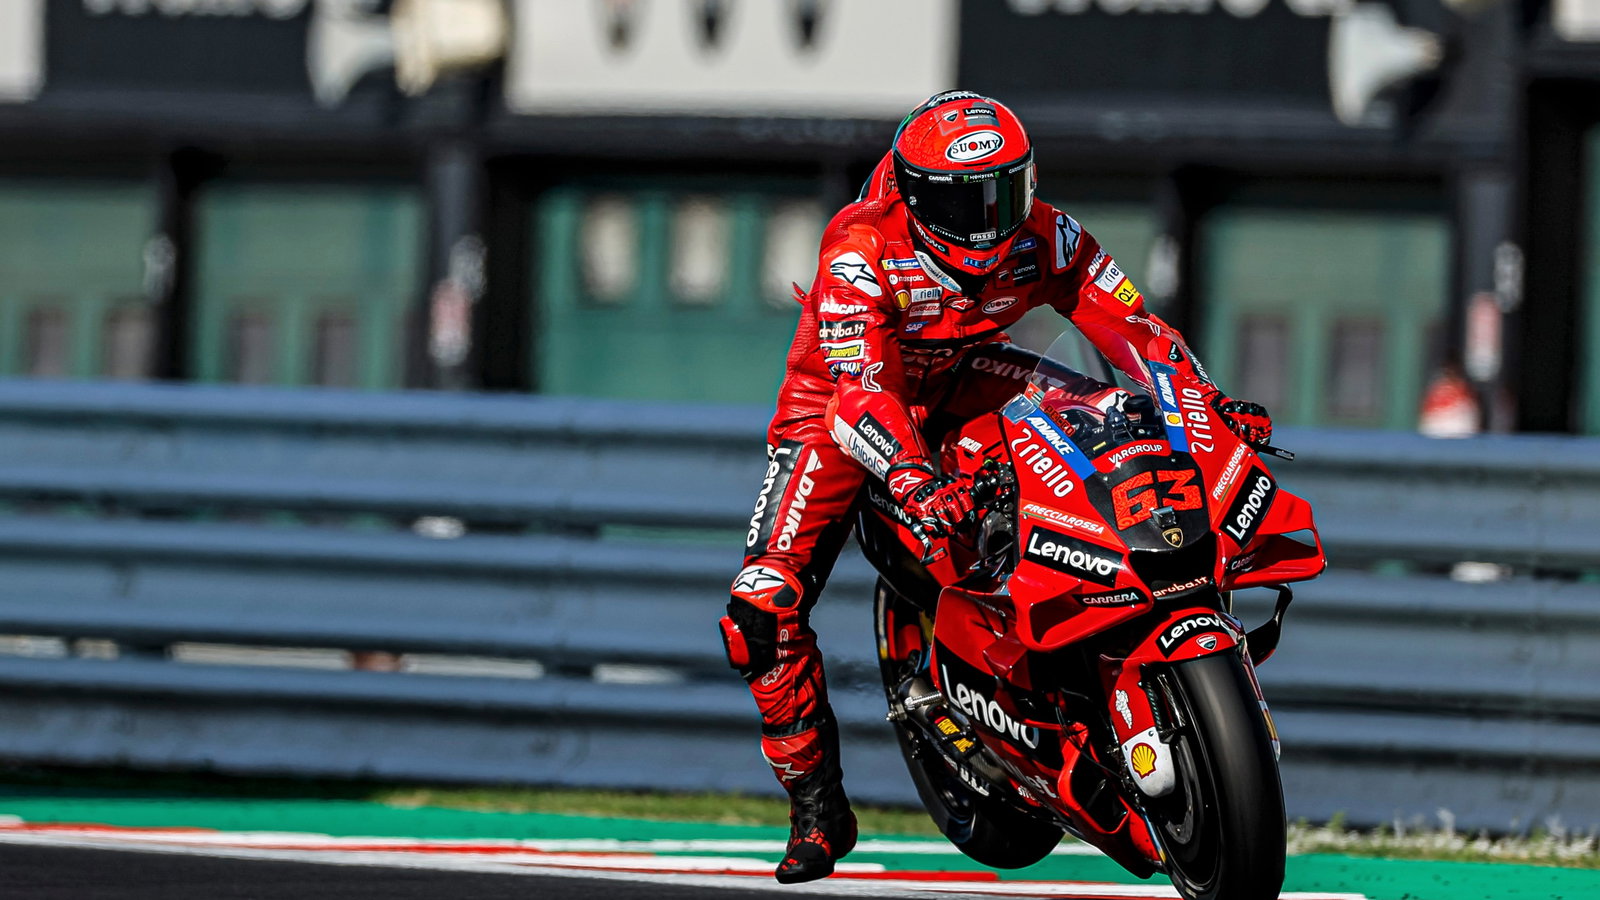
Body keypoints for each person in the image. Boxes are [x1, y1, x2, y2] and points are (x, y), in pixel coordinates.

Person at [716, 91, 1273, 884]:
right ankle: (817, 806)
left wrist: (1206, 408)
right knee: (760, 609)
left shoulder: (1048, 234)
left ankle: (1105, 632)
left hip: (968, 376)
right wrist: (909, 474)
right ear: (911, 195)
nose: (984, 220)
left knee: (1111, 411)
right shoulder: (859, 251)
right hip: (843, 406)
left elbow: (1137, 332)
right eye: (958, 200)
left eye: (1001, 193)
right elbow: (862, 393)